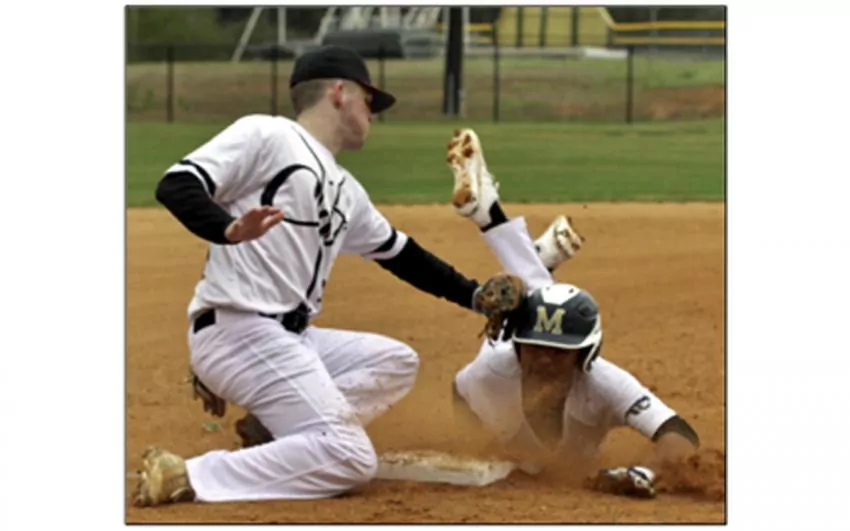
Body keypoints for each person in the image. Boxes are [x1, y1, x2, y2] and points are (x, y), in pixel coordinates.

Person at [132, 46, 523, 506]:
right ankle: (189, 475)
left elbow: (402, 255)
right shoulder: (269, 135)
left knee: (395, 362)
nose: (373, 114)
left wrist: (474, 296)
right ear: (339, 92)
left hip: (288, 339)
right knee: (350, 458)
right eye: (369, 101)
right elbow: (177, 184)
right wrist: (227, 228)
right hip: (238, 331)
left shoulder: (345, 188)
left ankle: (274, 428)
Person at [446, 128, 701, 499]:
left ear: (585, 356)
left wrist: (646, 472)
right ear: (518, 346)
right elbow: (460, 392)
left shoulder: (604, 383)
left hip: (528, 328)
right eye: (536, 348)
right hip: (507, 343)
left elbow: (677, 432)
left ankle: (507, 231)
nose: (544, 359)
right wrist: (473, 441)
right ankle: (501, 225)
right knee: (539, 302)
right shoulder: (492, 372)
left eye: (559, 351)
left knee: (540, 300)